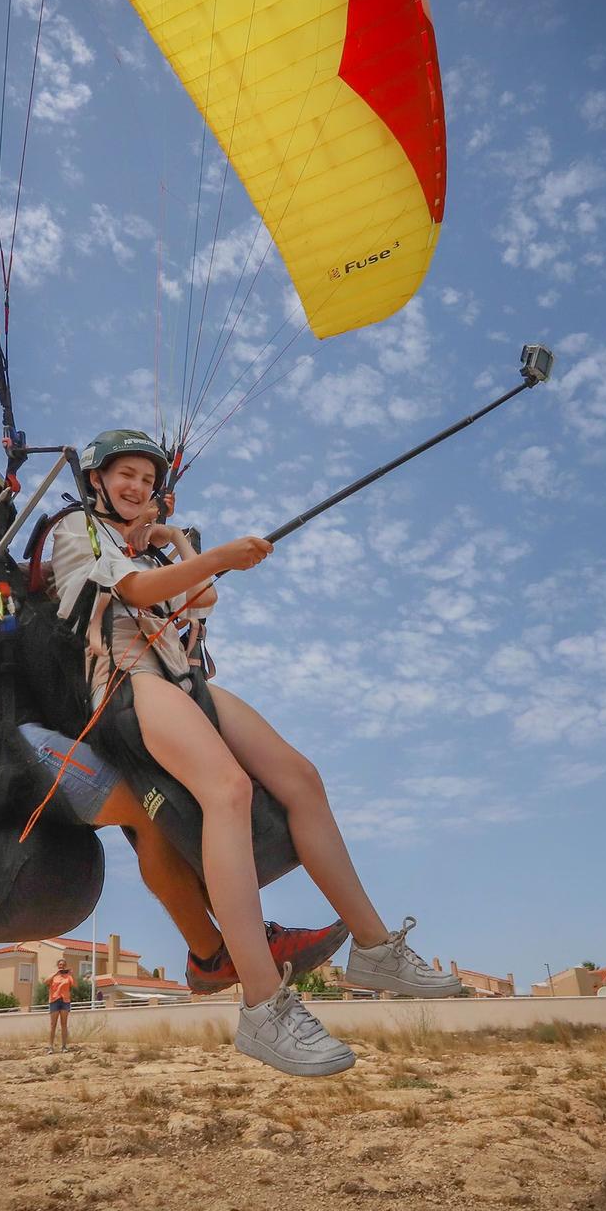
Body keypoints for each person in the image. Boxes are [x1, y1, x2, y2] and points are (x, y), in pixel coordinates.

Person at [49, 430, 462, 1078]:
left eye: (147, 480)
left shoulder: (149, 545)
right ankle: (263, 1003)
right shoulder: (76, 530)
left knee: (300, 777)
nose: (137, 487)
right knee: (227, 789)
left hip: (181, 681)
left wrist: (180, 541)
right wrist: (217, 553)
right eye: (124, 474)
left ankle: (375, 947)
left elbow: (200, 597)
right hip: (126, 686)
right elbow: (135, 591)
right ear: (97, 480)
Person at [0, 460, 349, 994]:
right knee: (147, 808)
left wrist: (149, 517)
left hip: (63, 735)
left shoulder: (30, 576)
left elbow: (106, 562)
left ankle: (232, 942)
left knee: (163, 790)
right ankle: (217, 951)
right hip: (2, 750)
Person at [46, 957, 77, 1053]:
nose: (61, 966)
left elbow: (75, 985)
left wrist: (72, 974)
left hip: (65, 1001)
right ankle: (50, 1047)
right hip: (54, 1000)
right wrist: (56, 973)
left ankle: (64, 1046)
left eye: (63, 965)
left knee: (64, 1024)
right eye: (60, 965)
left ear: (65, 966)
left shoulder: (68, 976)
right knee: (53, 1025)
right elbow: (46, 982)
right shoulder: (53, 976)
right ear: (57, 965)